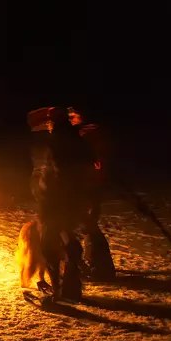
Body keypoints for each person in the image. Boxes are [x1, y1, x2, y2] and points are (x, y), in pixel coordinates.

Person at [28, 106, 94, 300]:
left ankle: (59, 288)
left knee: (49, 243)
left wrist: (44, 188)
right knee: (68, 236)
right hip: (74, 200)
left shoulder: (54, 142)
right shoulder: (80, 142)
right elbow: (88, 165)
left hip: (54, 201)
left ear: (52, 123)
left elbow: (54, 170)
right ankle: (71, 284)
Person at [68, 107, 116, 280]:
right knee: (88, 225)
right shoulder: (88, 133)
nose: (70, 119)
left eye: (73, 116)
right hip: (88, 183)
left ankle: (98, 267)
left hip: (88, 184)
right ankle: (99, 265)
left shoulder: (90, 134)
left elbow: (96, 161)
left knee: (88, 224)